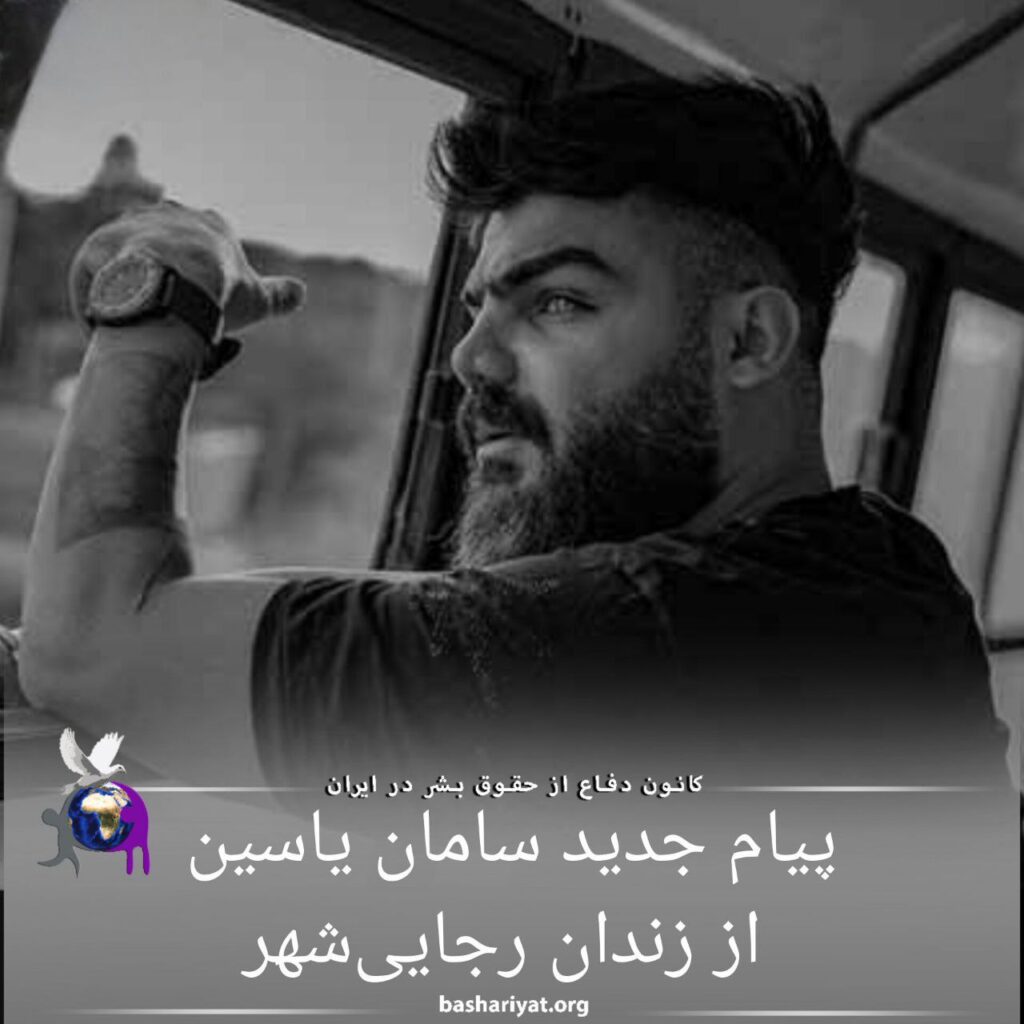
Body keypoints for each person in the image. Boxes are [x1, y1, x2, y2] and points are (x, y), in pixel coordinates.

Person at [18, 76, 1007, 788]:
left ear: (748, 339)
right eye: (475, 309)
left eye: (559, 302)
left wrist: (160, 295)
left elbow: (92, 652)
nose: (469, 360)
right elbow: (422, 610)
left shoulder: (677, 641)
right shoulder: (873, 571)